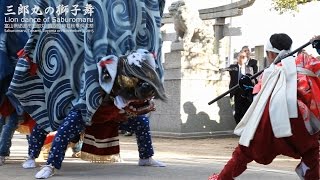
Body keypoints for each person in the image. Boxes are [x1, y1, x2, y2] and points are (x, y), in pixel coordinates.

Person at [9, 0, 167, 179]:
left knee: (141, 123)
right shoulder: (106, 71)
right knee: (52, 125)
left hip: (112, 108)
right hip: (92, 103)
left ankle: (146, 157)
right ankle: (46, 163)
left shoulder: (138, 65)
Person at [209, 33, 320, 180]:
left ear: (270, 54)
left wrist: (248, 89)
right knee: (310, 152)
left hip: (270, 126)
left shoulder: (269, 72)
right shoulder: (306, 61)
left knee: (243, 152)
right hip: (301, 123)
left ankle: (222, 178)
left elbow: (257, 99)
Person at [227, 50, 257, 124]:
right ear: (237, 58)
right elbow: (228, 69)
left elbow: (253, 80)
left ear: (247, 58)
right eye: (240, 56)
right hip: (237, 93)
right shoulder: (233, 67)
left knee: (246, 112)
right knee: (237, 113)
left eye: (243, 57)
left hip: (247, 93)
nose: (241, 58)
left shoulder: (250, 68)